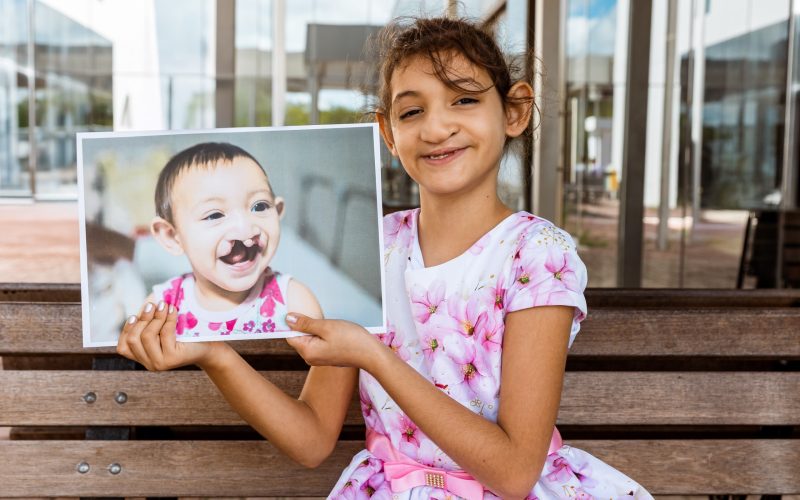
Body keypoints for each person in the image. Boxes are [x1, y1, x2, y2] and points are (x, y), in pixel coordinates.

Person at [117, 17, 653, 499]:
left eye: (464, 100)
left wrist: (376, 357)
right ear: (387, 134)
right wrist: (214, 354)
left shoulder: (537, 255)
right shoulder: (380, 250)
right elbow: (311, 439)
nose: (437, 127)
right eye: (412, 111)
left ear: (513, 111)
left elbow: (513, 473)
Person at [142, 142, 321, 338]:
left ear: (277, 212)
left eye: (259, 206)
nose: (245, 230)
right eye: (214, 215)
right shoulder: (161, 309)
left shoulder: (294, 303)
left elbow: (330, 368)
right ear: (172, 237)